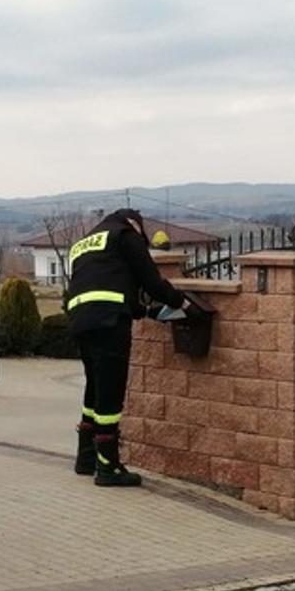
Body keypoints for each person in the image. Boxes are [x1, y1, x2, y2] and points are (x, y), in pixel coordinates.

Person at [63, 209, 192, 487]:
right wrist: (181, 303)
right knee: (111, 392)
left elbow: (110, 283)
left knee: (95, 386)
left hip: (80, 320)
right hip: (108, 321)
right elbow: (152, 282)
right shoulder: (125, 235)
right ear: (136, 224)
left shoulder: (84, 243)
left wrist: (144, 311)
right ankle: (108, 467)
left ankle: (85, 458)